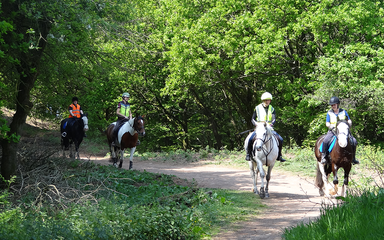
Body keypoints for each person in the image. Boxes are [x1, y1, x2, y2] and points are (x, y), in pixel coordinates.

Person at [245, 92, 286, 162]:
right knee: (250, 138)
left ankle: (279, 155)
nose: (268, 102)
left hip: (269, 128)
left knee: (280, 139)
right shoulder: (257, 108)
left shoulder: (272, 109)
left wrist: (270, 125)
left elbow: (274, 119)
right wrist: (257, 124)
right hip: (260, 127)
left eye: (269, 100)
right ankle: (248, 154)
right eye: (266, 100)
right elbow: (253, 119)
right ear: (263, 100)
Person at [321, 96, 359, 165]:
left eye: (334, 105)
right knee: (325, 140)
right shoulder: (329, 113)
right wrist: (330, 126)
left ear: (338, 104)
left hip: (343, 131)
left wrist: (349, 123)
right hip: (333, 131)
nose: (333, 106)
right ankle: (324, 156)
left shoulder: (343, 112)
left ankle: (353, 158)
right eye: (332, 105)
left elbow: (349, 120)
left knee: (354, 141)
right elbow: (327, 123)